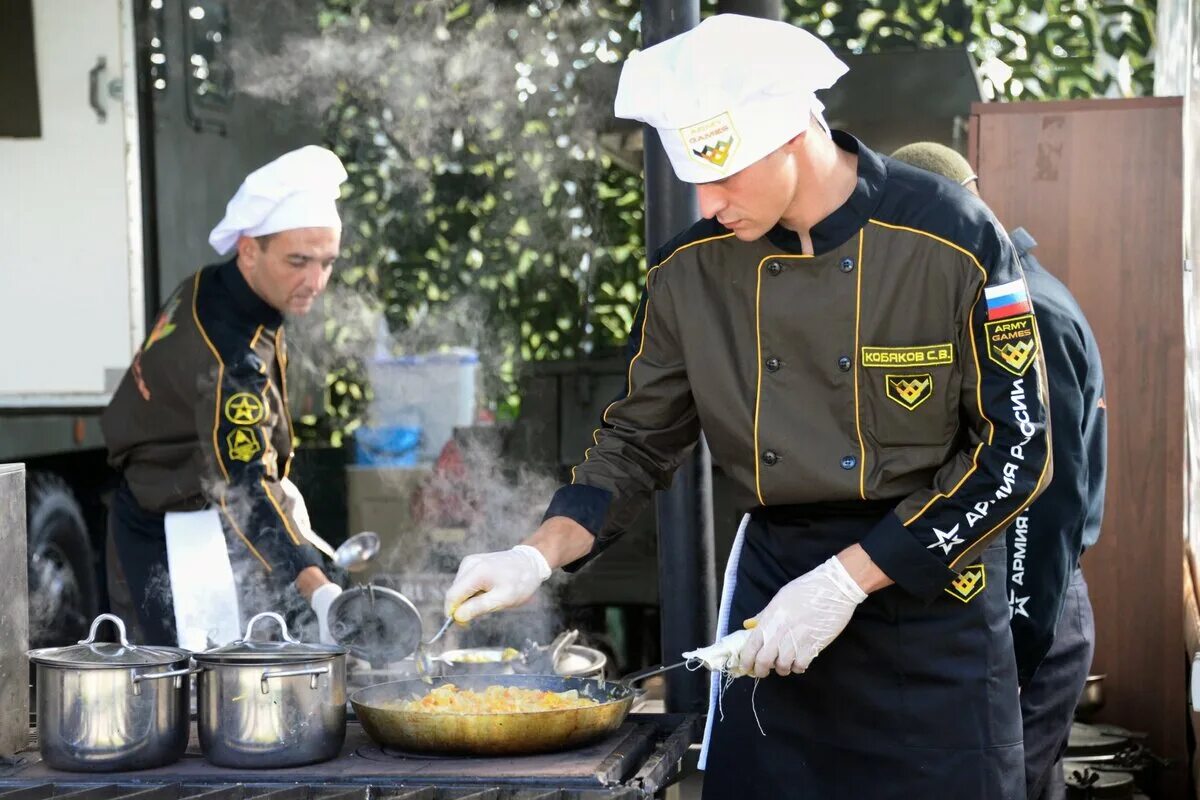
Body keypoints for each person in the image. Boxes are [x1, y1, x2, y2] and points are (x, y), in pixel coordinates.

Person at [444, 15, 1052, 798]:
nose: (710, 200)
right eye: (696, 176)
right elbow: (633, 445)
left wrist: (845, 582)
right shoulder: (689, 274)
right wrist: (534, 555)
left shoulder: (955, 238)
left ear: (796, 134)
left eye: (726, 174)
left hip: (929, 608)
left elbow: (1016, 451)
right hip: (774, 614)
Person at [892, 141, 1106, 800]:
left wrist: (1012, 645)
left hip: (1027, 605)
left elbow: (1039, 508)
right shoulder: (995, 298)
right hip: (1004, 605)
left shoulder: (1029, 315)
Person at [102, 145, 346, 648]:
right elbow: (243, 489)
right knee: (187, 696)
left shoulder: (212, 285)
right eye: (298, 261)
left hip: (190, 500)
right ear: (248, 250)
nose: (314, 282)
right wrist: (318, 588)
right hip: (171, 534)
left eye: (326, 263)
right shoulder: (230, 359)